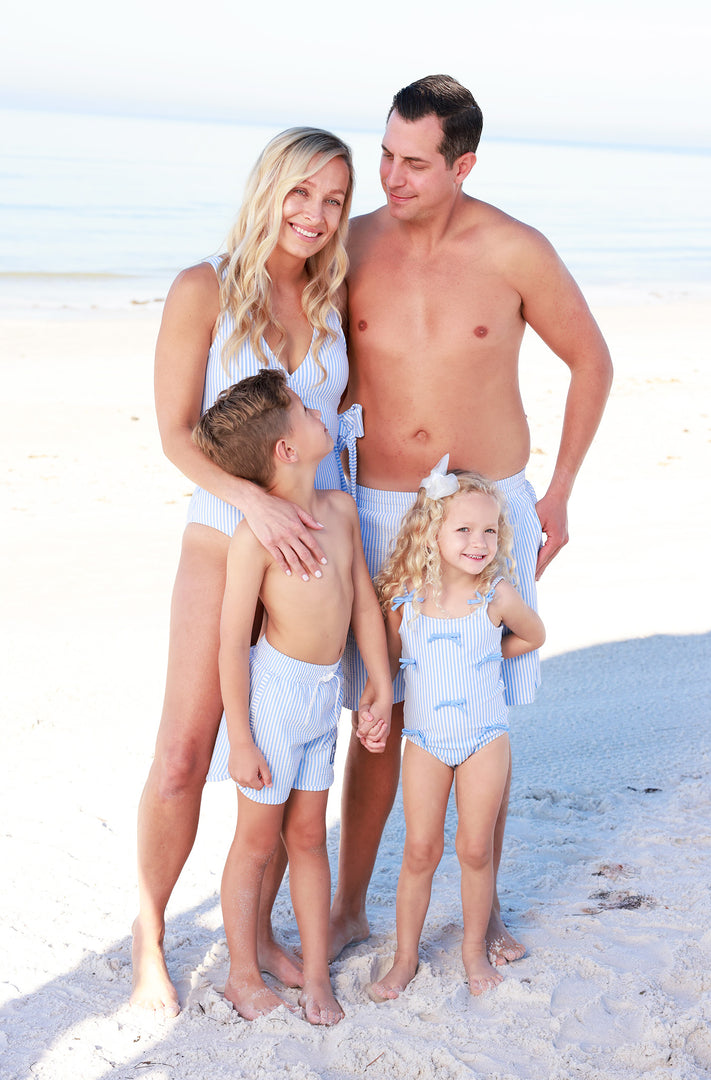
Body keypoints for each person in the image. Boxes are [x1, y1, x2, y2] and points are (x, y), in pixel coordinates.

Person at [329, 75, 613, 963]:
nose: (391, 176)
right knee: (383, 709)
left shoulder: (515, 250)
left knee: (480, 709)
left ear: (464, 165)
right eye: (385, 154)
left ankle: (485, 912)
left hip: (490, 512)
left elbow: (592, 359)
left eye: (415, 162)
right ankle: (349, 908)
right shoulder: (350, 243)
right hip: (380, 510)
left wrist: (559, 491)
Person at [131, 127, 359, 1017]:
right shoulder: (204, 287)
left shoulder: (335, 298)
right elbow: (174, 434)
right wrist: (251, 501)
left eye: (334, 200)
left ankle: (256, 936)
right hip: (221, 539)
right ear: (268, 189)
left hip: (308, 561)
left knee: (280, 762)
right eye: (301, 192)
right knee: (185, 754)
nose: (315, 214)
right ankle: (150, 934)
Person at [192, 369, 392, 1023]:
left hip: (323, 697)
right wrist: (241, 740)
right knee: (256, 842)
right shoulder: (254, 540)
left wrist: (380, 679)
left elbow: (361, 600)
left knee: (308, 838)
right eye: (306, 409)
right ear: (286, 449)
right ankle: (241, 975)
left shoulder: (338, 511)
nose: (317, 411)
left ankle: (315, 978)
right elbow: (232, 644)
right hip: (275, 700)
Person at [367, 461, 545, 1001]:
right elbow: (388, 666)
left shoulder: (496, 594)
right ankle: (405, 958)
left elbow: (533, 636)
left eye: (489, 530)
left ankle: (473, 950)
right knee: (421, 849)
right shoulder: (405, 598)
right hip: (425, 742)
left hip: (484, 738)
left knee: (474, 849)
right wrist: (374, 706)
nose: (479, 542)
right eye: (464, 529)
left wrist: (488, 656)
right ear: (432, 532)